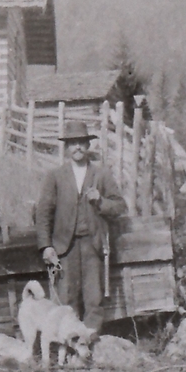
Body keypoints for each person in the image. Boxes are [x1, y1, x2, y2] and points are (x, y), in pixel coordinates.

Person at [35, 120, 127, 331]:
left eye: (81, 142)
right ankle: (67, 348)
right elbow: (43, 213)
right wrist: (46, 246)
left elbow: (120, 206)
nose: (77, 147)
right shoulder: (55, 176)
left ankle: (89, 346)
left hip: (92, 246)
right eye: (72, 143)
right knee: (66, 299)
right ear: (66, 148)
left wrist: (100, 201)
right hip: (64, 248)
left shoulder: (101, 175)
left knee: (94, 299)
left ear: (88, 146)